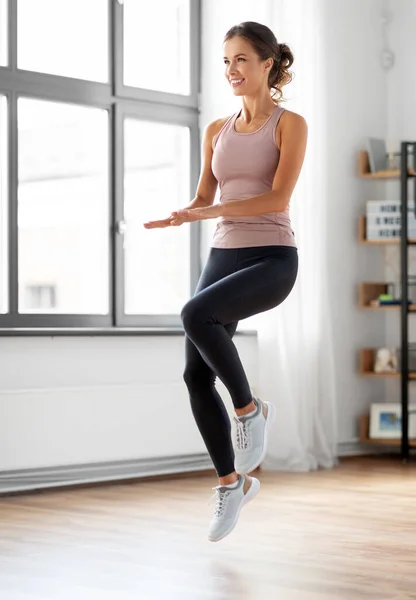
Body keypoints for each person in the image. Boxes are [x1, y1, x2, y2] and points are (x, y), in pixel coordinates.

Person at [144, 21, 307, 542]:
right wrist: (184, 213)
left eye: (240, 59)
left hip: (272, 257)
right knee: (194, 376)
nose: (231, 70)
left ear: (267, 64)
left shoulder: (288, 123)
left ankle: (249, 408)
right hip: (223, 254)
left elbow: (277, 198)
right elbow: (203, 198)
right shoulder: (217, 129)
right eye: (225, 61)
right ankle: (231, 484)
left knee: (195, 314)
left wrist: (209, 210)